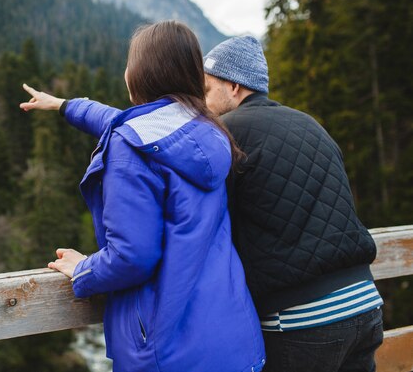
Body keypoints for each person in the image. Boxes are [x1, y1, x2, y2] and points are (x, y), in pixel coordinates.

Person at [20, 21, 266, 372]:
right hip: (234, 344)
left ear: (139, 73)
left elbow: (132, 257)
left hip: (169, 354)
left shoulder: (131, 145)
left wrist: (84, 270)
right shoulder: (202, 129)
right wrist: (63, 105)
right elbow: (117, 120)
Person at [202, 35, 383, 372]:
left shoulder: (225, 133)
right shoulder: (309, 124)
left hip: (304, 318)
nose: (203, 102)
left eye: (207, 90)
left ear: (233, 87)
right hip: (365, 302)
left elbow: (209, 225)